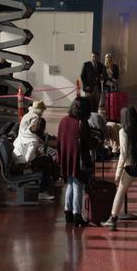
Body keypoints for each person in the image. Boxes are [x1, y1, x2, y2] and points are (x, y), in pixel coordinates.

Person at [102, 107, 137, 233]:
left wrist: (118, 172)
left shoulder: (123, 131)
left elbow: (123, 154)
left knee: (120, 192)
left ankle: (113, 220)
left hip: (130, 167)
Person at [57, 97, 93, 227]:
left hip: (66, 159)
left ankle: (68, 212)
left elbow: (59, 141)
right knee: (78, 186)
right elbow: (88, 142)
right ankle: (77, 214)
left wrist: (60, 159)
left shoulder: (63, 121)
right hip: (78, 159)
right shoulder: (82, 123)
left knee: (70, 185)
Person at [11, 116, 55, 201]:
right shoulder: (33, 141)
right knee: (47, 164)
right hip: (21, 166)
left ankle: (51, 182)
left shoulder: (25, 132)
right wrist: (37, 154)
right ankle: (42, 191)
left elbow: (15, 143)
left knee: (47, 159)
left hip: (16, 160)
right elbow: (28, 159)